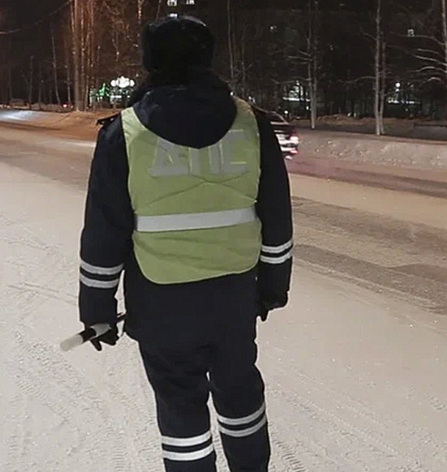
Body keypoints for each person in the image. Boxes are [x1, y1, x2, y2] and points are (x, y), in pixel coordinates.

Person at [77, 14, 293, 472]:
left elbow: (103, 233)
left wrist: (97, 310)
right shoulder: (251, 125)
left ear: (151, 62)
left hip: (162, 300)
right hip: (234, 294)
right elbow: (276, 214)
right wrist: (273, 284)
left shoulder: (125, 132)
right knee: (240, 391)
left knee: (180, 405)